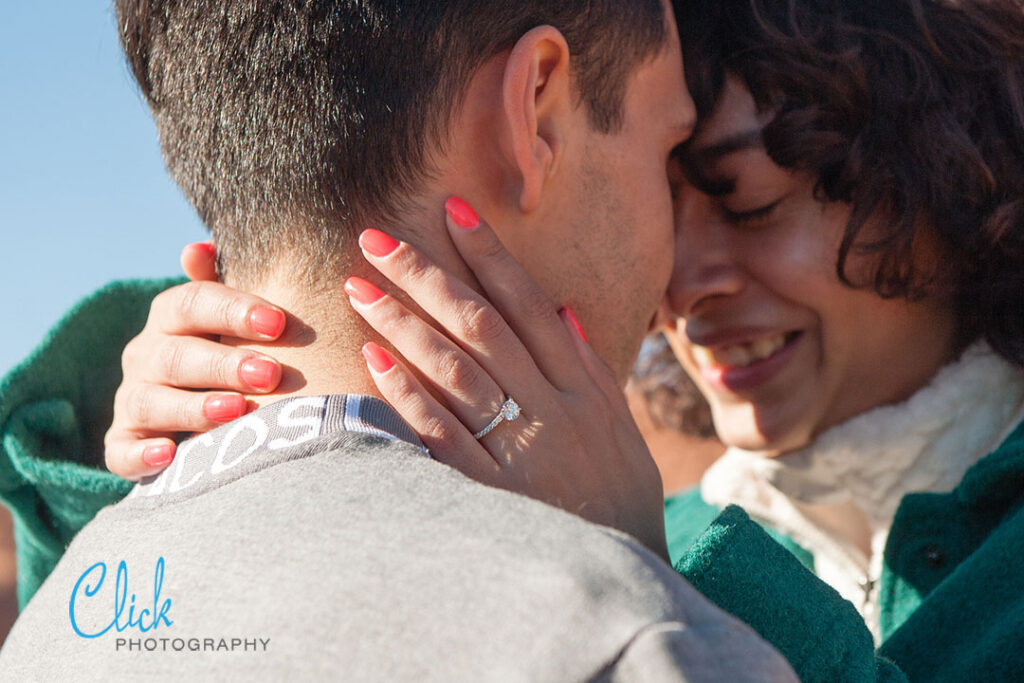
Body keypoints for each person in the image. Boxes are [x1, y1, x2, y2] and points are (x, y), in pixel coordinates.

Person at [83, 0, 1024, 680]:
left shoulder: (641, 528)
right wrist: (153, 436)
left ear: (949, 176)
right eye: (663, 192)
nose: (678, 284)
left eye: (749, 205)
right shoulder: (620, 501)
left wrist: (649, 590)